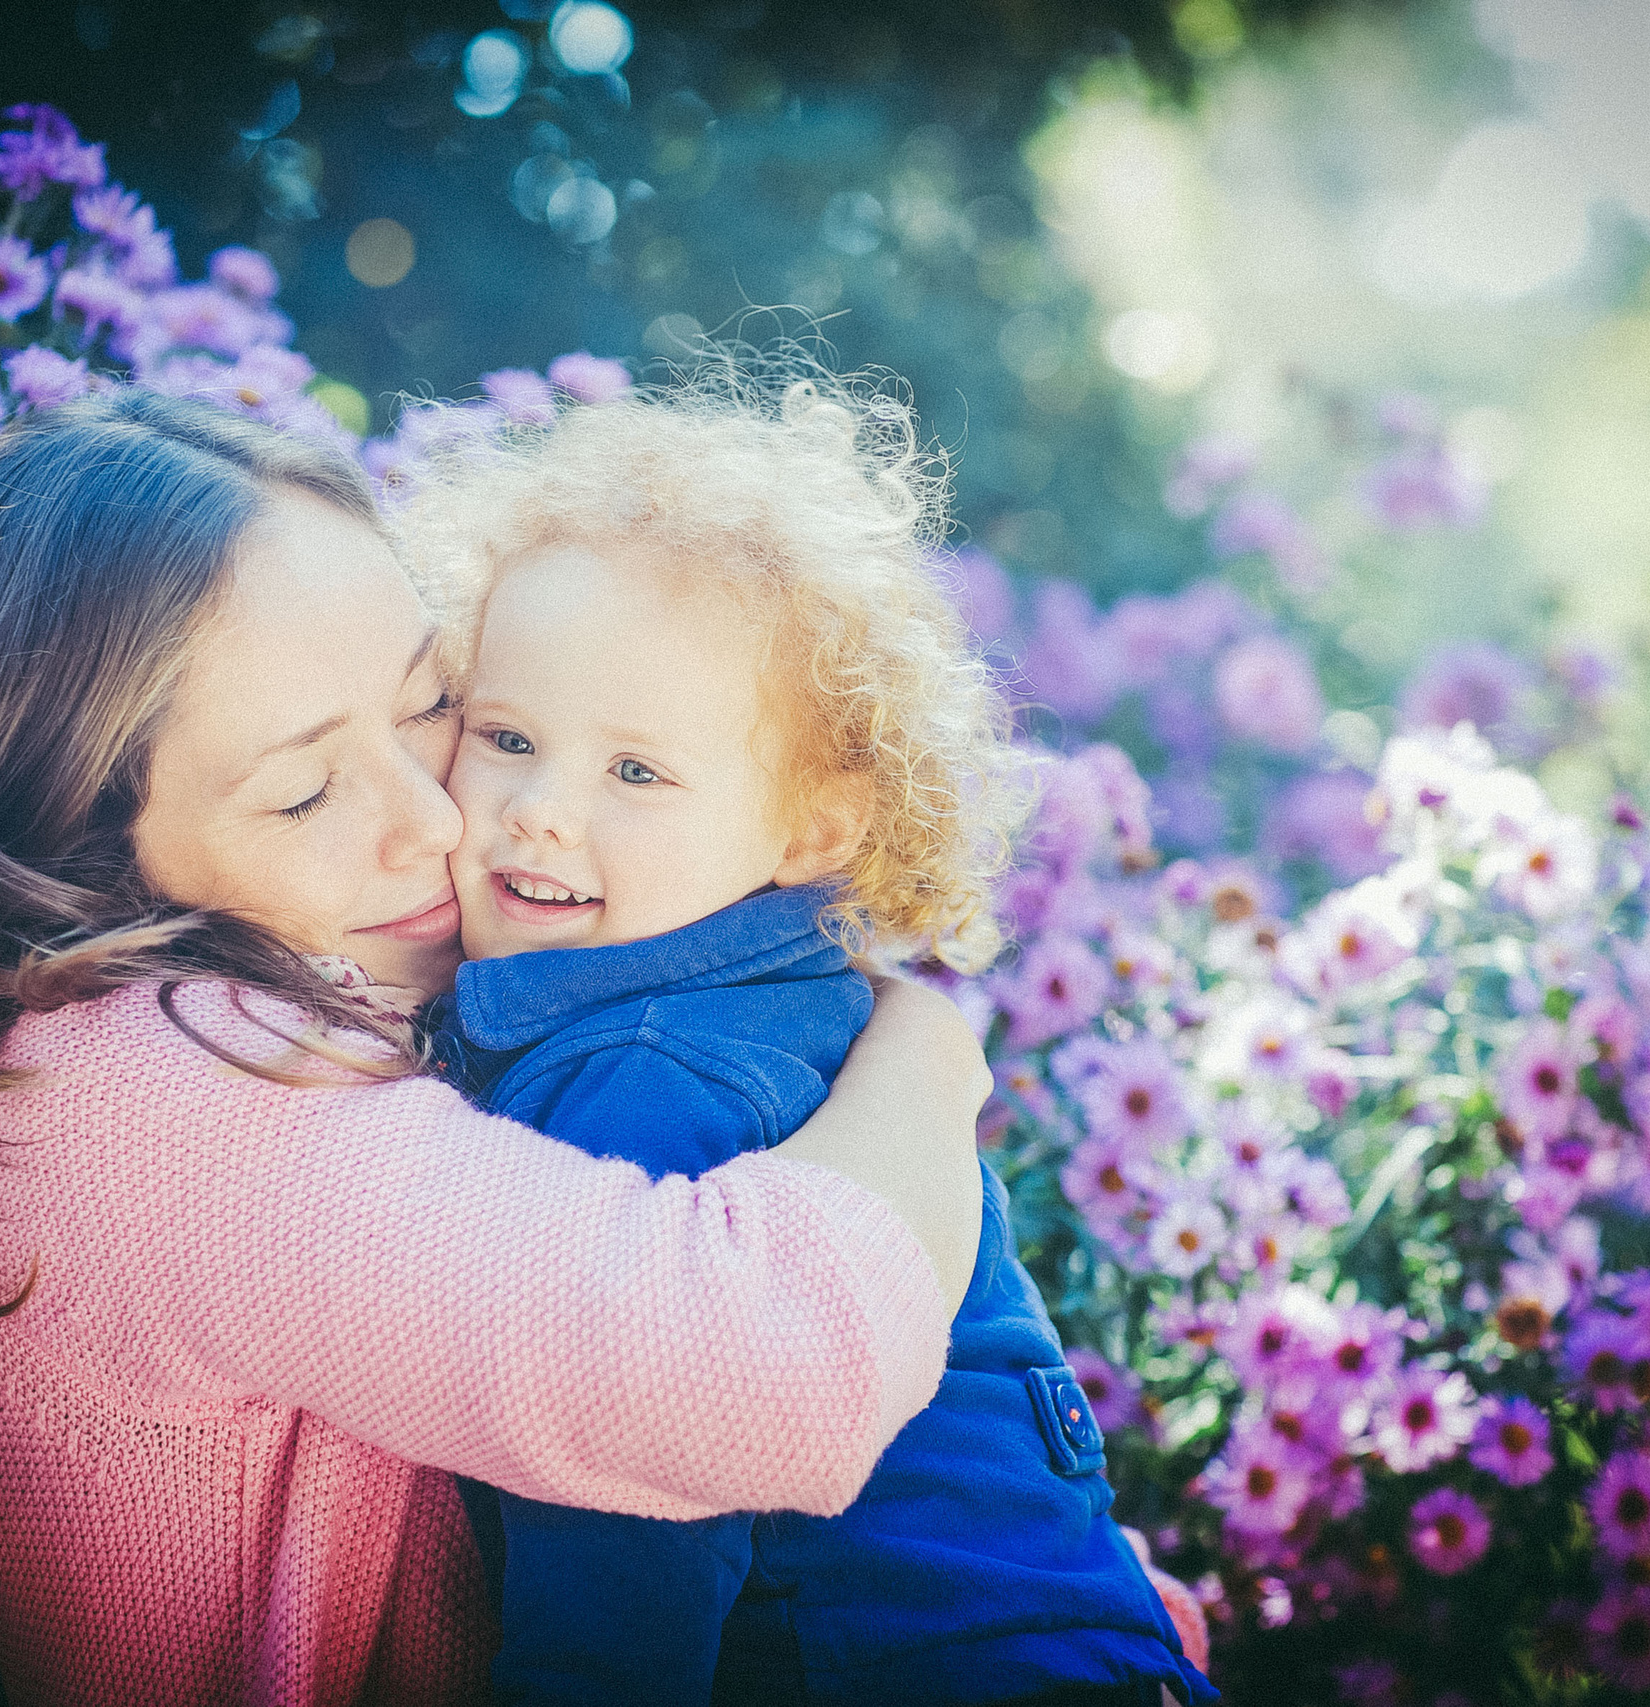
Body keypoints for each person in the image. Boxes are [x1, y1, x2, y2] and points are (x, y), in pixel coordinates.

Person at [0, 388, 989, 1706]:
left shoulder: (309, 991)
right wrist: (929, 1054)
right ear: (75, 856)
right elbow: (767, 1378)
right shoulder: (167, 1093)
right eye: (307, 787)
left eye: (433, 702)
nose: (436, 819)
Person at [405, 369, 1217, 1706]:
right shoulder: (783, 1006)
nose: (541, 809)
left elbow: (634, 1514)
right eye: (506, 736)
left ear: (814, 831)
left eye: (635, 771)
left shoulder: (646, 1079)